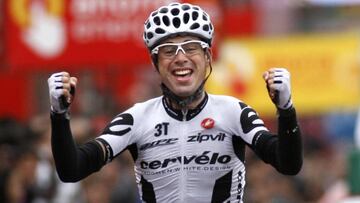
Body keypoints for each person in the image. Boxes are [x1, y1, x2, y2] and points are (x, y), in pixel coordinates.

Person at [48, 2, 302, 202]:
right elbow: (72, 170)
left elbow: (288, 164)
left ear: (207, 57)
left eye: (191, 47)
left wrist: (286, 109)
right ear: (155, 64)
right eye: (168, 50)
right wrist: (59, 115)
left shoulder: (234, 112)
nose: (180, 58)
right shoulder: (137, 118)